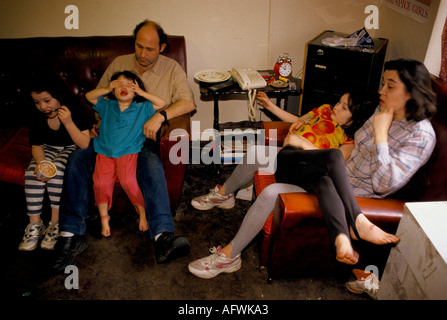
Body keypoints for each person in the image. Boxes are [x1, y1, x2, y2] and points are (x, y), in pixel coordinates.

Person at [188, 58, 436, 279]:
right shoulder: (382, 112)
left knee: (274, 191)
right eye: (383, 83)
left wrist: (381, 135)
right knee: (258, 153)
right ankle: (225, 195)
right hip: (326, 175)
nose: (382, 91)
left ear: (413, 92)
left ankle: (230, 256)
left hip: (346, 192)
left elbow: (383, 185)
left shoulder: (420, 136)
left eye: (390, 86)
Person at [52, 20, 195, 273]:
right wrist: (97, 122)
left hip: (140, 142)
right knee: (77, 160)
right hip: (107, 140)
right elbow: (99, 97)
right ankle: (69, 235)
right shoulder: (119, 63)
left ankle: (163, 237)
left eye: (150, 49)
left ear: (162, 47)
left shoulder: (171, 68)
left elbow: (188, 103)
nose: (142, 54)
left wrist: (161, 116)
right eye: (139, 46)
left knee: (151, 164)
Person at [191, 90, 377, 210]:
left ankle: (233, 191)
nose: (336, 107)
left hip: (306, 171)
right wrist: (270, 106)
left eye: (344, 107)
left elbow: (334, 160)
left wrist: (302, 143)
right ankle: (224, 194)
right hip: (287, 154)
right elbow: (296, 119)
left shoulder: (349, 139)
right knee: (256, 151)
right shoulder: (325, 110)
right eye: (338, 102)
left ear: (355, 118)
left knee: (261, 155)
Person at [86, 71, 166, 237]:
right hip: (105, 151)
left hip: (128, 151)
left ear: (136, 90)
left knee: (128, 181)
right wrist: (107, 88)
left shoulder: (142, 108)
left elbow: (162, 103)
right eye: (118, 85)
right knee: (100, 183)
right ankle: (103, 217)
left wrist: (142, 93)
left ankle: (142, 212)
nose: (123, 88)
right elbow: (89, 96)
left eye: (129, 85)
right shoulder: (107, 105)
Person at [19, 73, 91, 251]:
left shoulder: (75, 107)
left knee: (57, 171)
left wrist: (68, 122)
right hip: (47, 148)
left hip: (72, 147)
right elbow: (36, 146)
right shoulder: (37, 115)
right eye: (37, 102)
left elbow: (84, 143)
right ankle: (35, 223)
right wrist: (41, 163)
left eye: (47, 101)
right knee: (34, 172)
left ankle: (55, 222)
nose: (42, 107)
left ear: (59, 96)